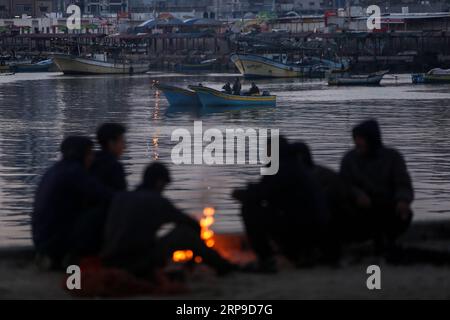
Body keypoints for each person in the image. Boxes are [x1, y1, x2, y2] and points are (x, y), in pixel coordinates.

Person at [102, 162, 235, 278]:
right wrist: (194, 258)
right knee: (185, 234)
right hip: (136, 263)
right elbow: (193, 225)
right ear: (159, 182)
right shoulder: (156, 201)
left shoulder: (120, 197)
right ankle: (223, 267)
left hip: (109, 260)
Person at [233, 137, 327, 273]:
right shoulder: (295, 165)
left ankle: (266, 260)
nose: (266, 154)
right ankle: (301, 253)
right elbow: (269, 189)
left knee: (250, 208)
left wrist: (242, 194)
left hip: (301, 226)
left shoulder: (282, 167)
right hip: (309, 225)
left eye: (269, 151)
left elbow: (263, 192)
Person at [32, 136, 112, 268]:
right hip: (55, 242)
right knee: (103, 211)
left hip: (41, 240)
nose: (92, 158)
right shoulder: (74, 172)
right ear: (81, 155)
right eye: (90, 153)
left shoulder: (55, 170)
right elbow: (105, 195)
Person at [340, 119, 414, 250]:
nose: (357, 142)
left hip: (386, 205)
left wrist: (403, 200)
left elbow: (403, 183)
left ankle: (388, 239)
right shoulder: (349, 159)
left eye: (360, 139)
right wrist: (358, 195)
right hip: (359, 207)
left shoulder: (393, 157)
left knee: (405, 214)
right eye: (355, 139)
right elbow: (344, 184)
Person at [90, 123, 127, 192]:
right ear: (111, 143)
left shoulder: (90, 161)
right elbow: (120, 195)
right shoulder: (114, 166)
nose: (124, 146)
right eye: (122, 141)